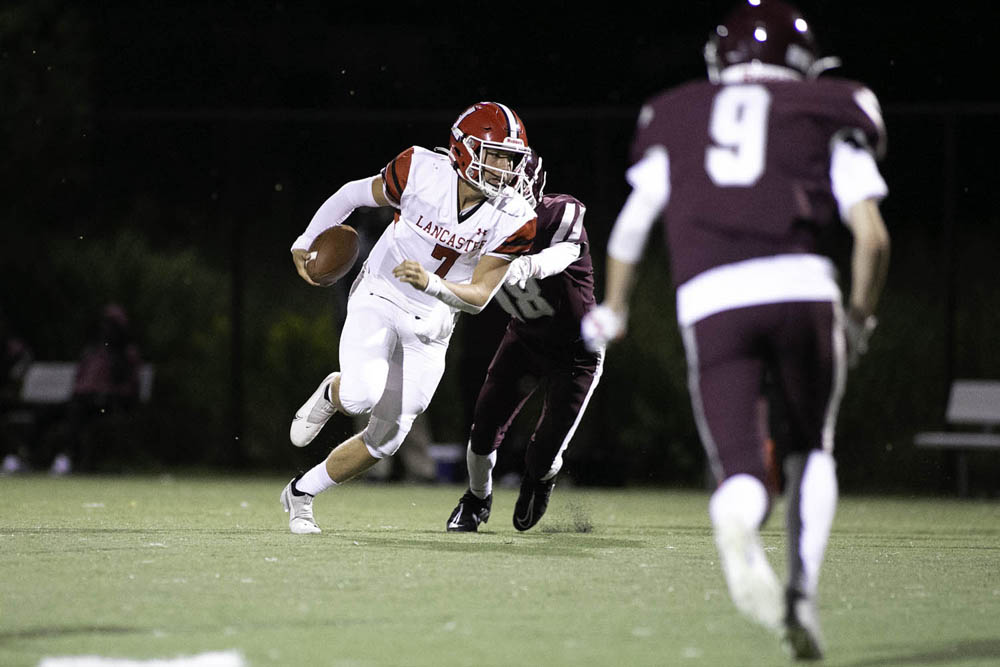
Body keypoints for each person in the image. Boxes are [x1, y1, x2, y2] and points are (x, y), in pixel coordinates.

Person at [581, 0, 890, 660]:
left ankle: (739, 507)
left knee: (743, 470)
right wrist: (859, 318)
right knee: (812, 446)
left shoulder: (678, 112)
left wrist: (616, 306)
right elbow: (872, 236)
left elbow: (633, 227)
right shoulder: (828, 108)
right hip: (803, 287)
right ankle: (801, 593)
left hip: (712, 296)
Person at [280, 101, 538, 534]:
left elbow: (476, 298)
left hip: (433, 322)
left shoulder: (515, 217)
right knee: (362, 394)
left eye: (511, 159)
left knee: (387, 439)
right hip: (380, 292)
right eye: (494, 155)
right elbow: (351, 194)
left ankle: (300, 493)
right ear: (462, 150)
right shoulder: (420, 169)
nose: (504, 169)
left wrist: (431, 285)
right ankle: (334, 392)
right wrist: (305, 240)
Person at [446, 150, 603, 532]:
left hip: (577, 350)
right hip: (526, 338)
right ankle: (477, 498)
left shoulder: (560, 213)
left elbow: (563, 253)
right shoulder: (478, 225)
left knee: (544, 453)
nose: (497, 192)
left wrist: (521, 265)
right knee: (483, 431)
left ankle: (540, 479)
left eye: (507, 183)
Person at [55, 303, 144, 474]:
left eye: (111, 325)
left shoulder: (125, 354)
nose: (107, 329)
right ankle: (26, 456)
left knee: (77, 412)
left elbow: (129, 386)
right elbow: (79, 380)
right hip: (84, 400)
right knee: (56, 411)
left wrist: (109, 393)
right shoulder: (93, 351)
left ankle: (71, 456)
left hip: (110, 403)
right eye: (105, 324)